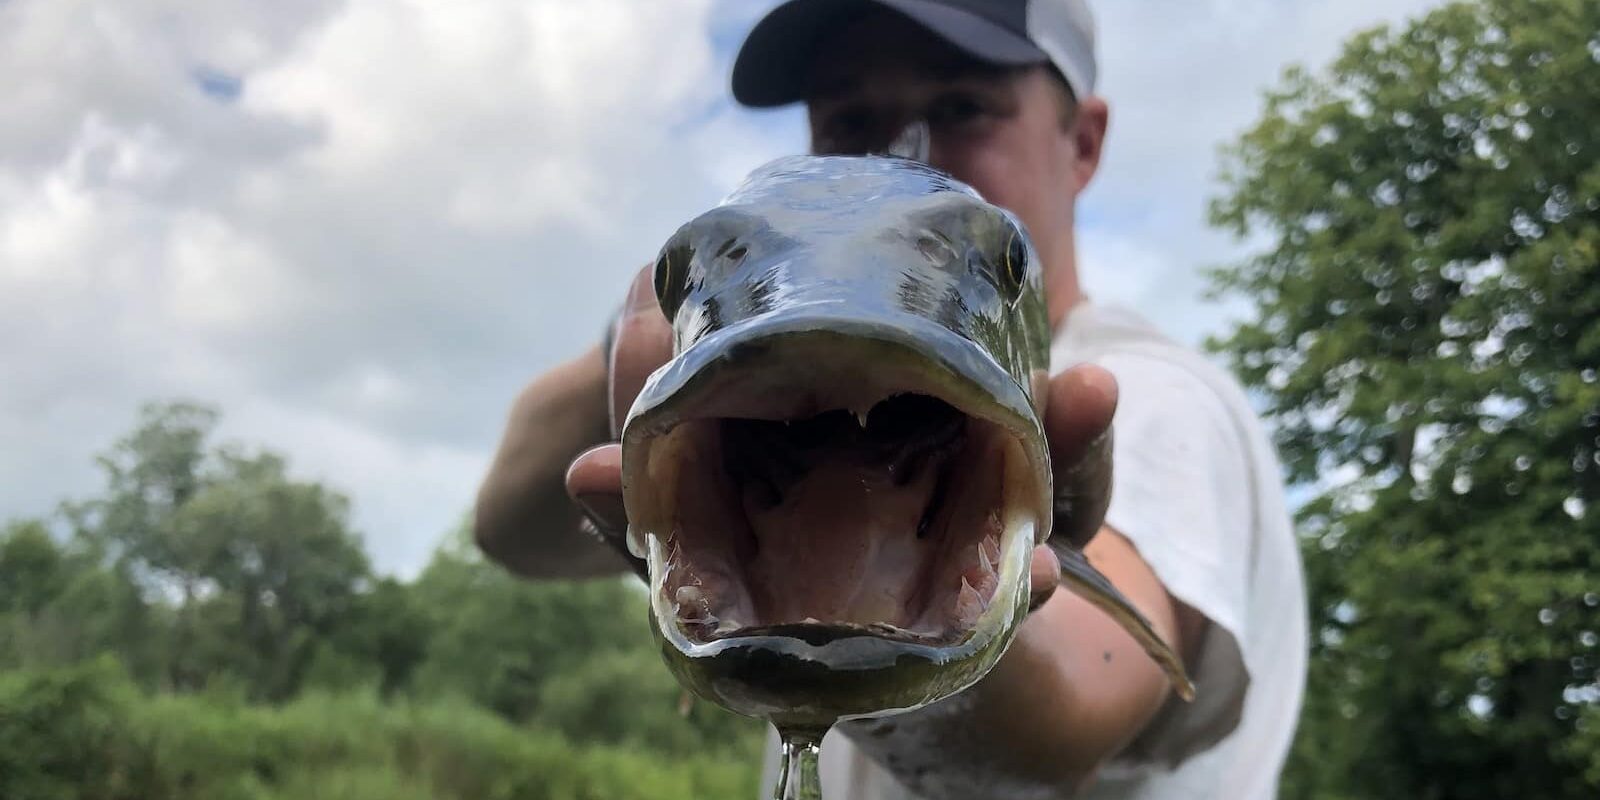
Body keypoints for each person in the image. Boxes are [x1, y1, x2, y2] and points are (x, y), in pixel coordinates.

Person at [473, 0, 1308, 797]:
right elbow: (512, 528)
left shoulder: (1165, 398)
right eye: (848, 124)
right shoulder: (731, 388)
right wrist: (665, 319)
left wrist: (903, 618)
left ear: (1082, 143)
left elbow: (1056, 732)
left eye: (963, 105)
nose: (904, 154)